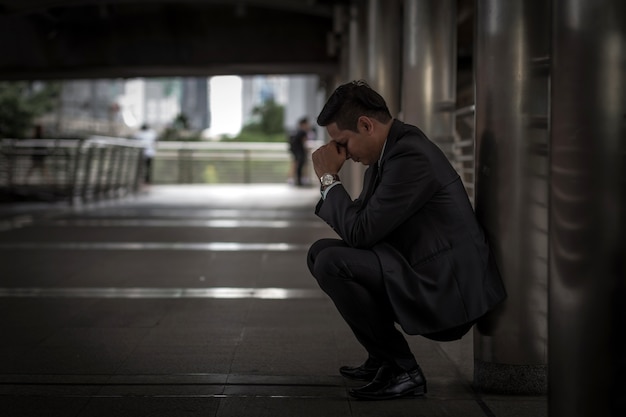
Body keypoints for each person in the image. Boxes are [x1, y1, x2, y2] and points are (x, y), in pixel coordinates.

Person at [307, 80, 506, 400]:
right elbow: (360, 224)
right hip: (421, 267)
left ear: (366, 125)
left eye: (343, 143)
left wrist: (329, 179)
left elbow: (360, 233)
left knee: (332, 262)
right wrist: (332, 184)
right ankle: (382, 358)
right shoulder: (389, 153)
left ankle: (404, 370)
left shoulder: (410, 155)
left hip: (447, 287)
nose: (343, 154)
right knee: (320, 253)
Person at [288, 117, 311, 186]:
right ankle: (300, 180)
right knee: (300, 165)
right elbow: (304, 143)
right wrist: (306, 151)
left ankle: (293, 180)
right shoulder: (303, 132)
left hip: (295, 151)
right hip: (299, 152)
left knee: (295, 165)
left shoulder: (297, 132)